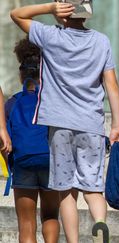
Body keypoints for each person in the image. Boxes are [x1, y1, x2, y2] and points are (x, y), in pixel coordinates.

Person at [10, 1, 119, 242]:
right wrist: (116, 124)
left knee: (66, 191)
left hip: (59, 125)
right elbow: (112, 85)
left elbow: (16, 14)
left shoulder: (50, 36)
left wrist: (50, 7)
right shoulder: (101, 41)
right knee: (93, 188)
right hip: (92, 124)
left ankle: (73, 241)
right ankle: (99, 222)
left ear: (64, 13)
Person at [6, 37, 60, 243]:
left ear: (21, 74)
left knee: (26, 224)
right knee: (50, 215)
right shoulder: (53, 101)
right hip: (50, 161)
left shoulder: (12, 103)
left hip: (23, 162)